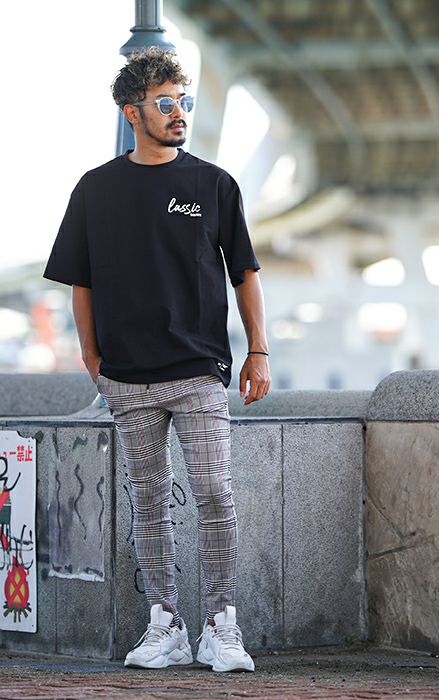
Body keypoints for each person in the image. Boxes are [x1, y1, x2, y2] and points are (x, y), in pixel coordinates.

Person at [43, 47, 271, 673]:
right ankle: (164, 624)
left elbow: (245, 273)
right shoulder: (95, 189)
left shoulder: (213, 184)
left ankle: (222, 625)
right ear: (132, 112)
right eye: (165, 102)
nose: (179, 113)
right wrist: (92, 357)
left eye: (184, 101)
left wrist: (257, 350)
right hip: (128, 379)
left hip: (198, 371)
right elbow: (81, 281)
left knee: (215, 492)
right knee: (148, 504)